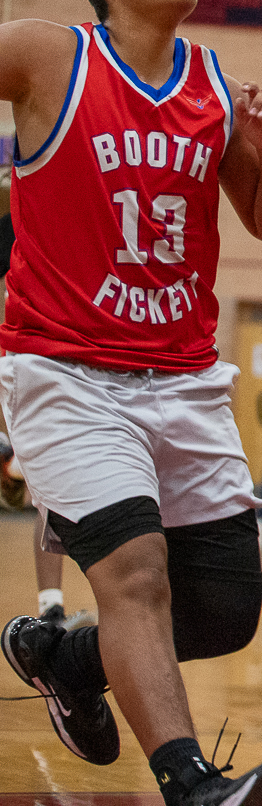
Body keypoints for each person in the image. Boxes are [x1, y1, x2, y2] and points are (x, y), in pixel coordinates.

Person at [0, 0, 262, 806]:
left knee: (223, 610)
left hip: (182, 379)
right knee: (135, 574)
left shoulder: (214, 83)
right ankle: (190, 783)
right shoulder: (47, 54)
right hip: (66, 371)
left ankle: (65, 655)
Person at [0, 212, 88, 629]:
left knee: (50, 491)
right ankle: (51, 609)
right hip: (34, 361)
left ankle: (51, 608)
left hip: (81, 362)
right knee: (48, 490)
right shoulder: (19, 219)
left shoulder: (91, 214)